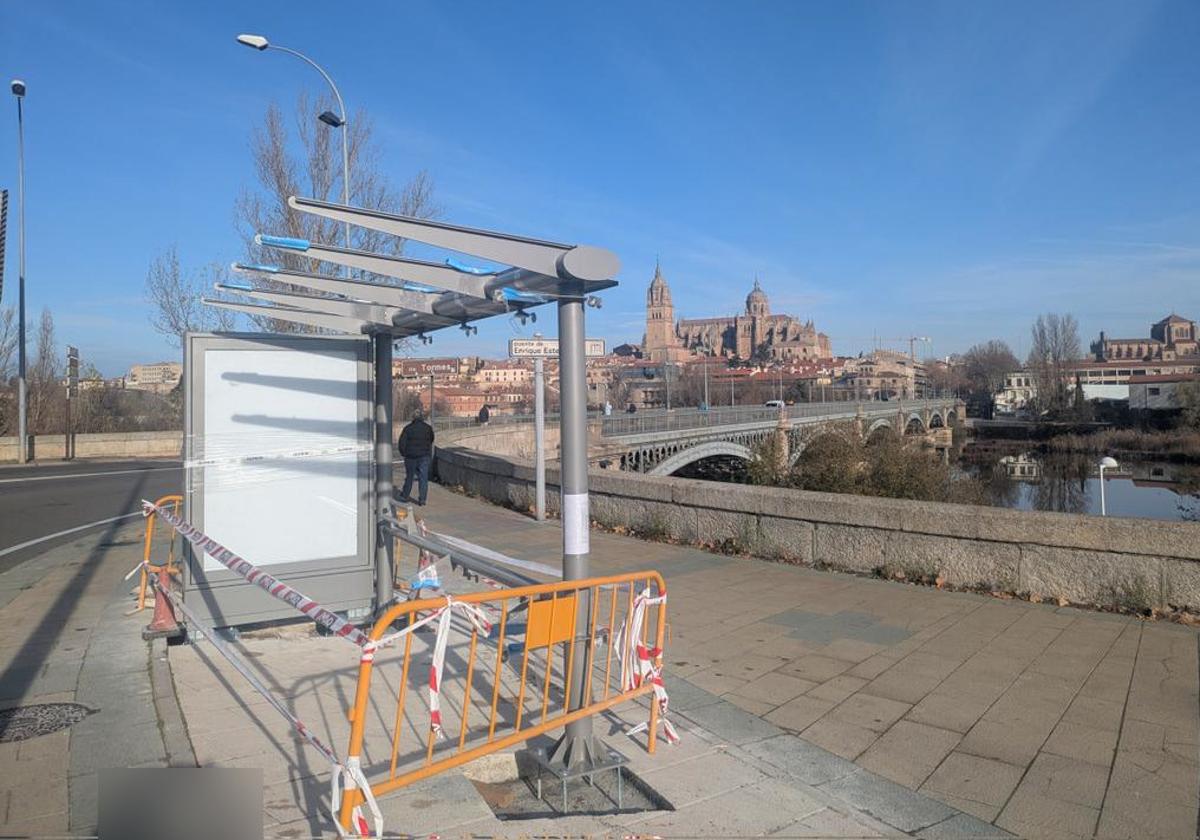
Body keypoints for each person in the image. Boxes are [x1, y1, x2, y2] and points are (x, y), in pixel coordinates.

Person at [398, 408, 435, 506]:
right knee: (423, 478)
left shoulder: (408, 428)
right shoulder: (428, 428)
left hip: (410, 457)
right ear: (422, 418)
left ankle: (405, 496)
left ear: (413, 418)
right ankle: (422, 500)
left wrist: (404, 453)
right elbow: (431, 439)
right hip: (424, 456)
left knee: (409, 477)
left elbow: (402, 443)